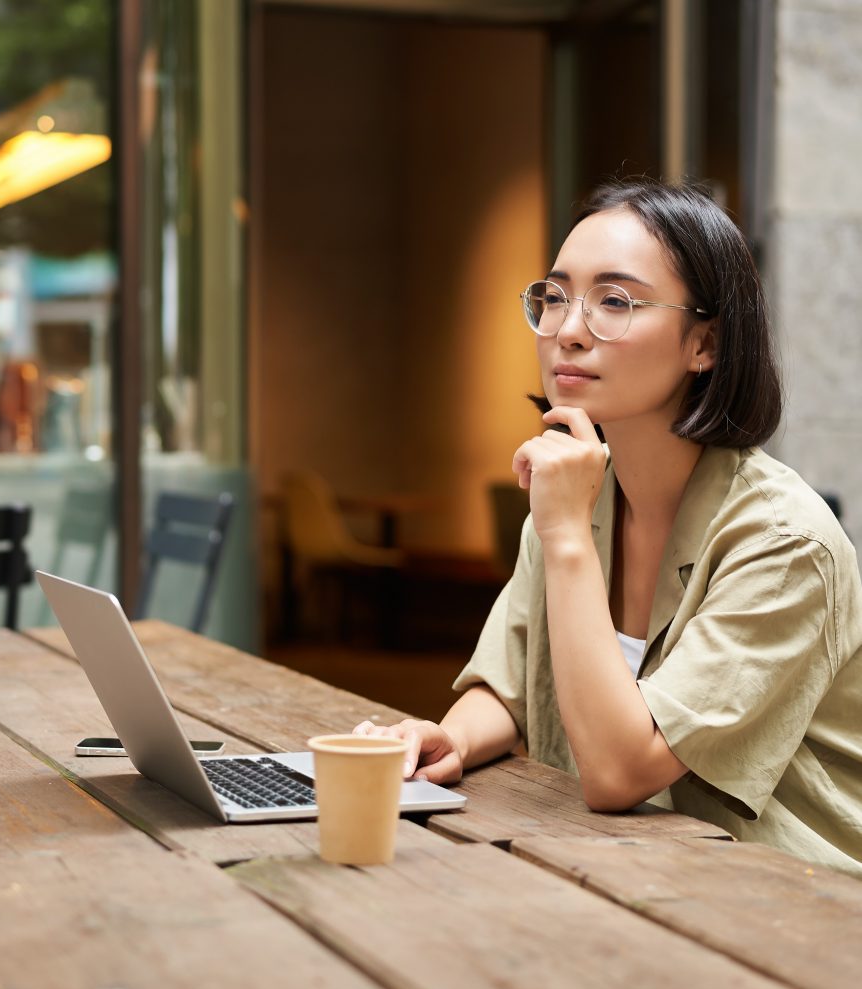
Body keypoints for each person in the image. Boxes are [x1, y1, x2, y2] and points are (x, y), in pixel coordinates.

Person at [355, 177, 862, 877]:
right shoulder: (581, 491)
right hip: (618, 874)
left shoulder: (783, 542)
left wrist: (563, 539)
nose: (567, 329)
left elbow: (622, 773)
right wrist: (449, 739)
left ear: (704, 345)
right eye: (556, 296)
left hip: (786, 904)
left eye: (615, 302)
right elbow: (508, 685)